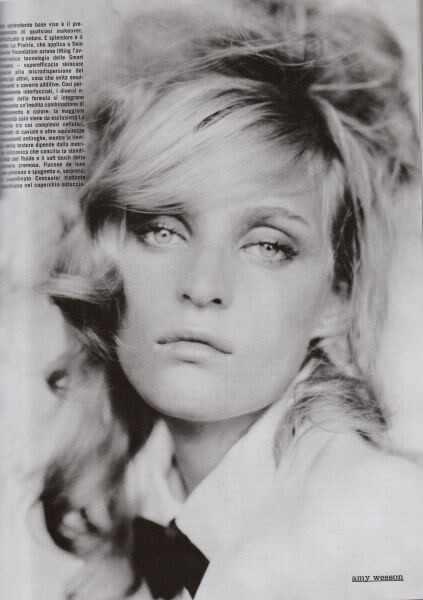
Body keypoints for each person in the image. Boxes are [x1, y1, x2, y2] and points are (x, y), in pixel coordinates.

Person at [37, 0, 423, 598]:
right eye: (162, 230)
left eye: (268, 245)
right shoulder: (142, 507)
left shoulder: (383, 523)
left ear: (337, 297)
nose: (203, 286)